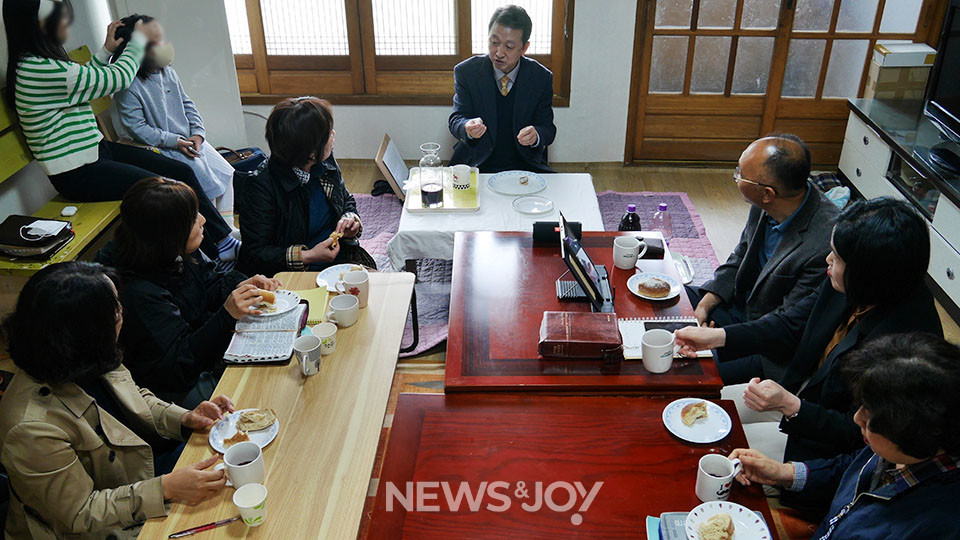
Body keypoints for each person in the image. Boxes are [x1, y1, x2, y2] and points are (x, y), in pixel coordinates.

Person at [675, 198, 943, 471]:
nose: (828, 259)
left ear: (867, 272)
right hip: (796, 394)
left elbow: (860, 431)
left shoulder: (905, 342)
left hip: (824, 443)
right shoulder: (851, 284)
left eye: (837, 257)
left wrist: (792, 406)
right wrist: (717, 337)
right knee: (692, 408)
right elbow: (788, 324)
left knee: (712, 452)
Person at [0, 262, 231, 539]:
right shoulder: (30, 428)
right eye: (114, 309)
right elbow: (80, 513)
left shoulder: (86, 356)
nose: (122, 312)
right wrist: (165, 488)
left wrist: (183, 417)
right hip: (100, 523)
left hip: (138, 475)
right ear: (86, 330)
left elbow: (135, 399)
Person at [3, 0, 240, 269]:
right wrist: (137, 40)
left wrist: (106, 50)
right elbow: (118, 79)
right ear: (34, 24)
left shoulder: (43, 64)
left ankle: (223, 242)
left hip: (96, 152)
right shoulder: (38, 69)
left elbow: (86, 80)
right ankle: (205, 263)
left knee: (180, 171)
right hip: (77, 173)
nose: (66, 21)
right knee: (164, 194)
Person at [729, 332, 960, 538]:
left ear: (912, 433)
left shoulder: (938, 522)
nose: (856, 418)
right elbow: (848, 469)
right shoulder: (896, 449)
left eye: (868, 419)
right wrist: (782, 473)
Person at [106, 178, 280, 409]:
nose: (203, 220)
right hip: (173, 389)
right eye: (192, 218)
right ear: (169, 233)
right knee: (260, 388)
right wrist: (226, 315)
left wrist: (241, 284)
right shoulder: (138, 293)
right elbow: (179, 365)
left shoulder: (174, 251)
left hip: (201, 354)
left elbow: (210, 283)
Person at [686, 135, 839, 381]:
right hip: (739, 306)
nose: (736, 176)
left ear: (768, 193)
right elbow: (739, 257)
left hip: (769, 342)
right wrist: (704, 306)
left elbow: (785, 324)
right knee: (668, 300)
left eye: (740, 174)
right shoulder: (766, 201)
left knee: (687, 367)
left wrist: (719, 337)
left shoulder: (823, 243)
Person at [238, 97, 375, 276]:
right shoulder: (260, 186)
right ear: (310, 151)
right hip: (289, 273)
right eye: (328, 134)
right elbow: (256, 252)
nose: (333, 135)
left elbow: (346, 200)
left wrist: (350, 220)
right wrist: (309, 256)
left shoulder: (325, 162)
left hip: (339, 259)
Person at [112, 14, 235, 210]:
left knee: (226, 172)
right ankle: (212, 228)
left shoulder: (167, 72)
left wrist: (198, 133)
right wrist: (175, 142)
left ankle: (226, 225)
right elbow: (138, 128)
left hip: (189, 140)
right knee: (206, 186)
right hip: (164, 147)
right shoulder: (128, 85)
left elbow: (187, 103)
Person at [448, 5, 556, 173]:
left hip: (525, 165)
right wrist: (467, 126)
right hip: (477, 163)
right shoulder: (467, 72)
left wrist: (536, 134)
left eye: (509, 47)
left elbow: (548, 128)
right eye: (494, 43)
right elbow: (456, 119)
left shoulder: (540, 77)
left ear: (524, 48)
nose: (499, 53)